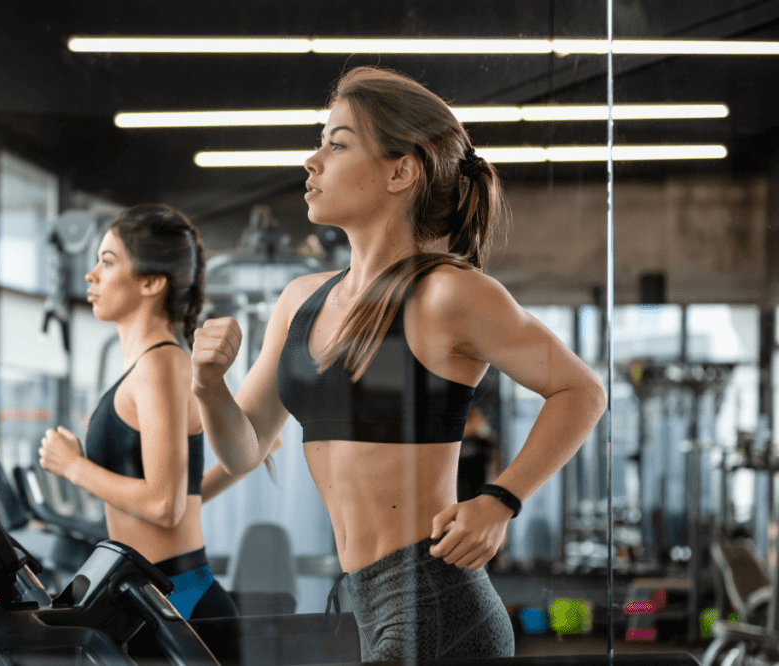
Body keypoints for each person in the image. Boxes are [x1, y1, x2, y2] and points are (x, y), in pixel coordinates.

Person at [190, 66, 607, 661]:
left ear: (402, 170)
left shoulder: (449, 294)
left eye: (336, 144)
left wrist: (500, 500)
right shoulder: (298, 301)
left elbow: (581, 391)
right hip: (366, 600)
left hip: (435, 599)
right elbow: (247, 447)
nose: (313, 161)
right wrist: (209, 385)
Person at [38, 203, 238, 623]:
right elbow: (182, 494)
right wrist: (238, 466)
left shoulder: (159, 366)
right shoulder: (154, 365)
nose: (91, 275)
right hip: (155, 590)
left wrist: (73, 466)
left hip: (175, 596)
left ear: (150, 282)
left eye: (107, 262)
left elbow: (164, 505)